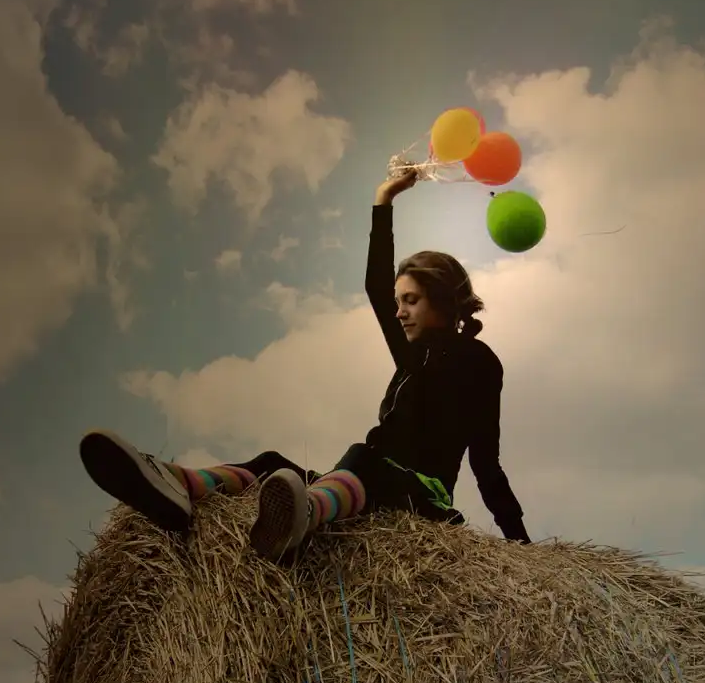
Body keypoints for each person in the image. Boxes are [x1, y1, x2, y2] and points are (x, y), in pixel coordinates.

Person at [79, 166, 530, 561]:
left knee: (363, 458)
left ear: (443, 300)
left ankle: (305, 514)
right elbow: (376, 287)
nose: (398, 312)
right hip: (365, 483)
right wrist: (384, 198)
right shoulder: (412, 357)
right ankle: (180, 485)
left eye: (410, 300)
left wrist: (523, 547)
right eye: (398, 302)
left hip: (423, 498)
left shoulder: (480, 363)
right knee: (271, 462)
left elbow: (486, 465)